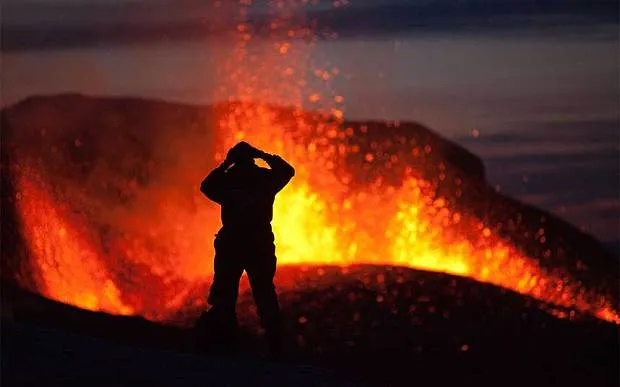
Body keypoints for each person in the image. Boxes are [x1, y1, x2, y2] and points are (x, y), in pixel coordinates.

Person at [198, 141, 295, 358]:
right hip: (258, 243)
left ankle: (225, 344)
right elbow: (288, 171)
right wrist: (263, 154)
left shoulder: (228, 180)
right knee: (264, 293)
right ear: (252, 159)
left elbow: (206, 186)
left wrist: (225, 164)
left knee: (224, 294)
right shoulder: (264, 179)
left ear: (235, 161)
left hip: (231, 242)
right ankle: (275, 347)